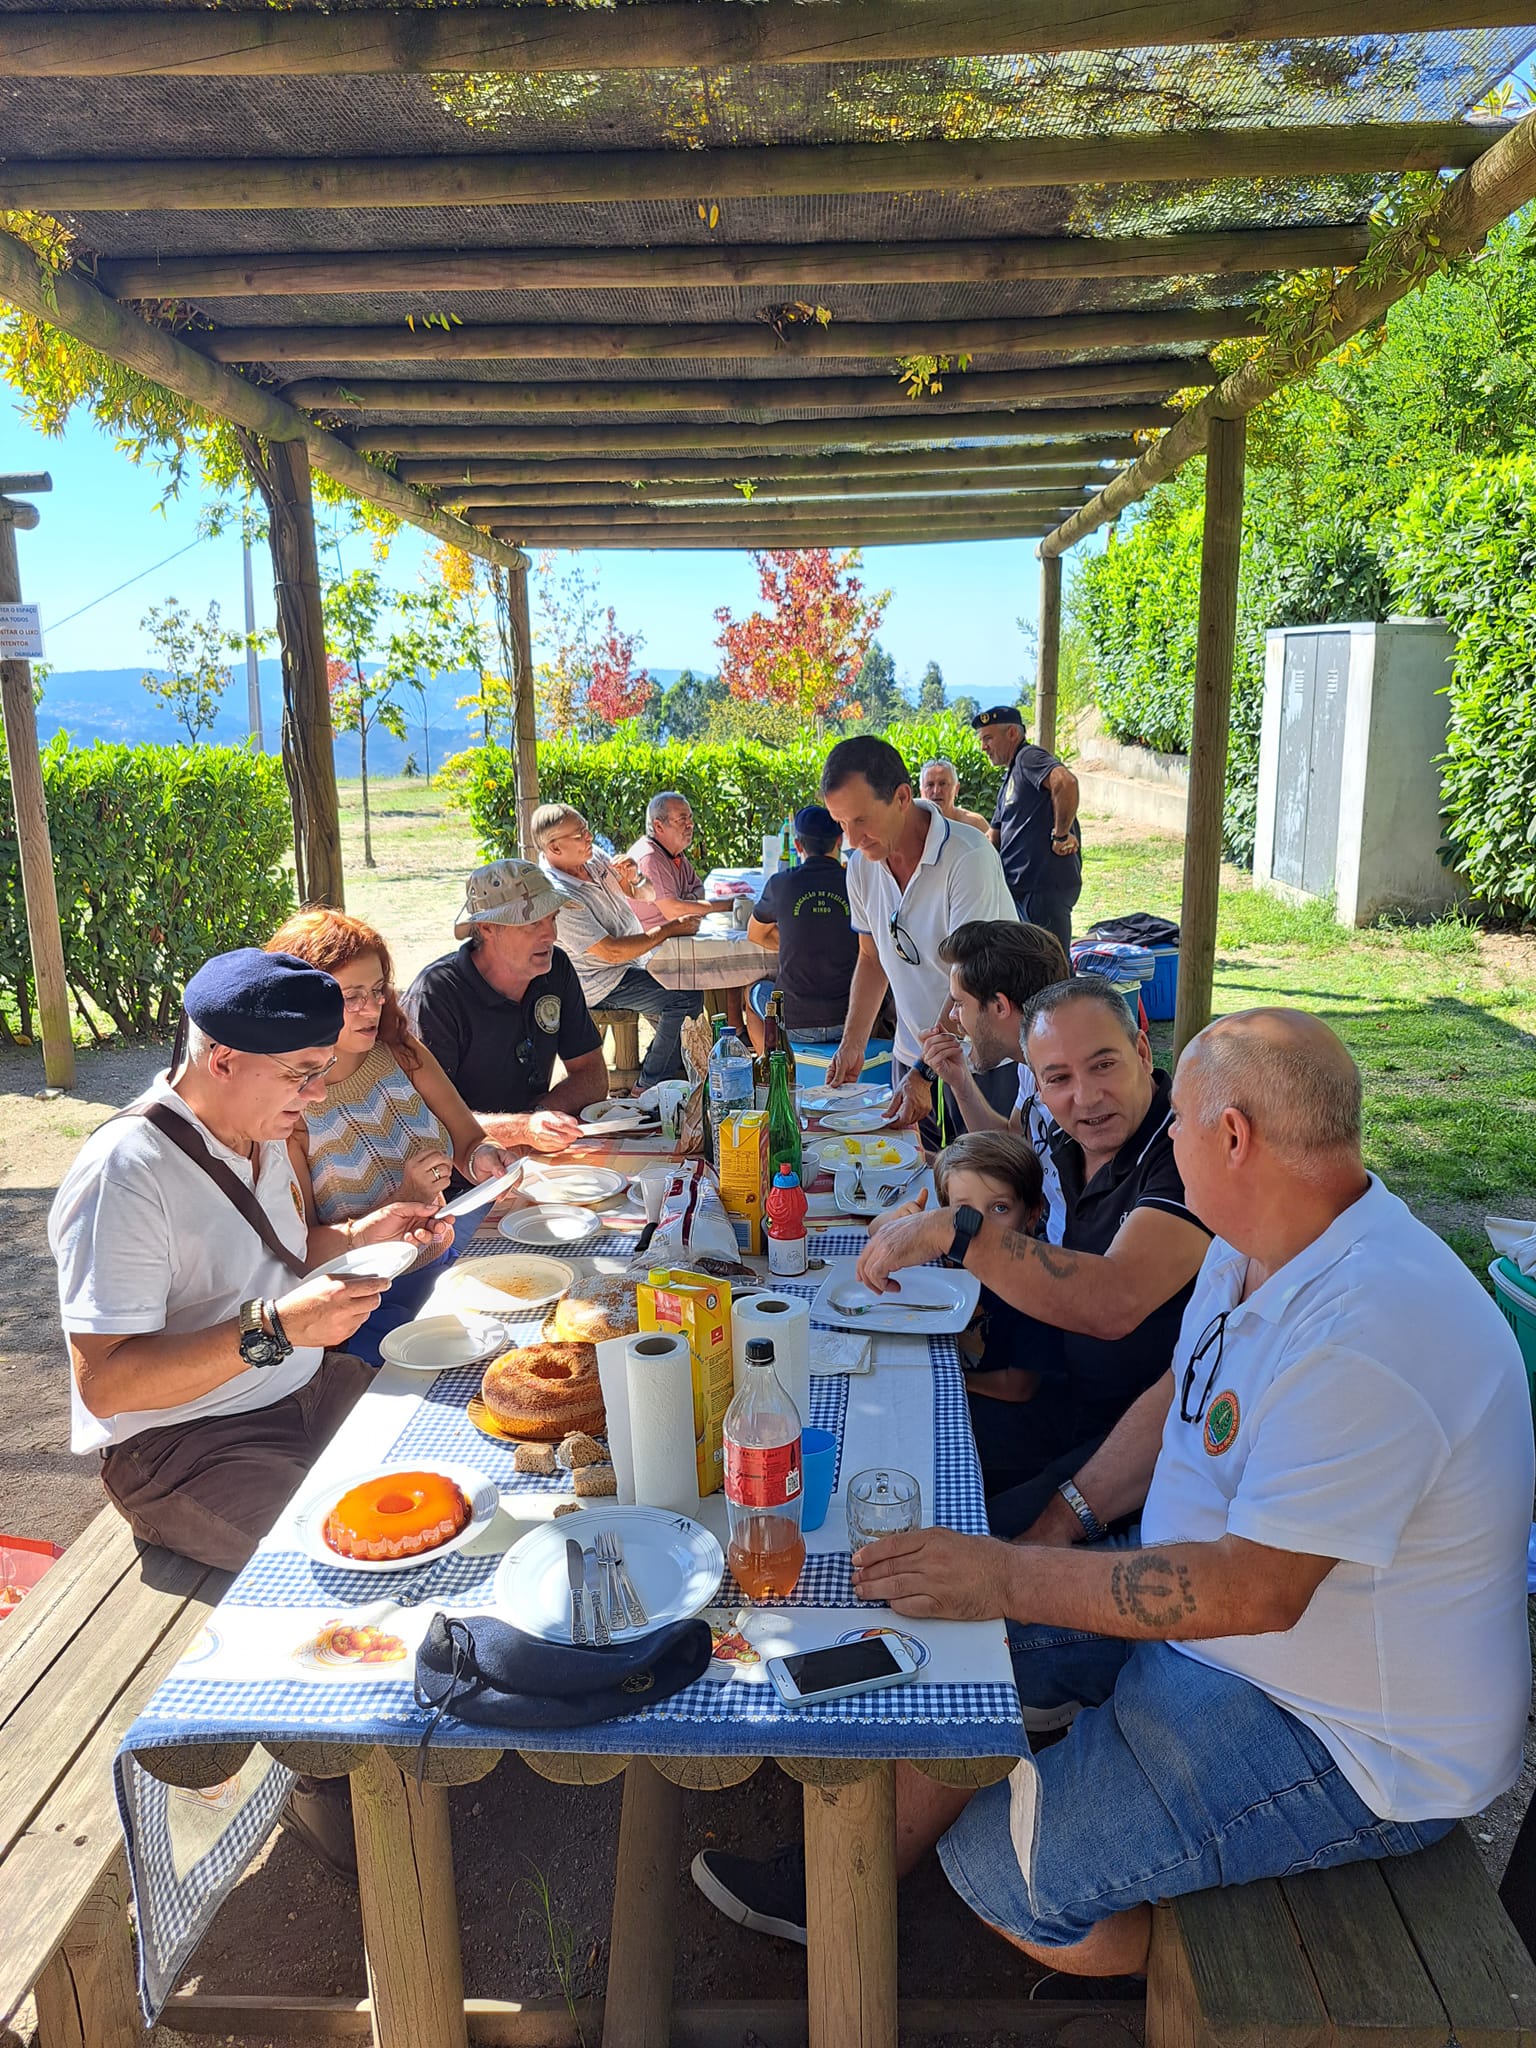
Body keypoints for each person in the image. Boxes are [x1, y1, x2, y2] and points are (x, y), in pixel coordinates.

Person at [692, 1011, 1534, 1978]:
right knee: (942, 1643)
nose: (1165, 1147)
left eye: (1177, 1125)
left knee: (993, 1874)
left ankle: (1233, 1968)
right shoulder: (1263, 1238)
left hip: (1348, 1737)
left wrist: (1008, 1574)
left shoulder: (1374, 1330)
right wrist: (1056, 1526)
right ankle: (841, 1887)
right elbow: (1181, 1394)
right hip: (1219, 1631)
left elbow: (1255, 1591)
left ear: (1232, 1136)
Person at [48, 948, 449, 1574]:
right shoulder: (125, 1173)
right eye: (301, 1074)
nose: (317, 1095)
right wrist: (279, 1328)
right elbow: (105, 1385)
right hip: (188, 1441)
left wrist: (360, 1235)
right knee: (348, 1562)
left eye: (323, 1070)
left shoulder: (261, 1126)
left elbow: (281, 1254)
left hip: (307, 1385)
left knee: (456, 1475)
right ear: (223, 1060)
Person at [862, 975, 1211, 1523]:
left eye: (1103, 1065)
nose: (1086, 1097)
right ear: (1037, 1086)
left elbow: (1117, 1298)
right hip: (1061, 1394)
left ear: (1143, 1052)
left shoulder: (1184, 1151)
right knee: (887, 1432)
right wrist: (914, 1212)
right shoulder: (1061, 1131)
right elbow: (993, 1170)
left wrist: (955, 1228)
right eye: (1058, 1078)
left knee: (939, 1512)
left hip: (1133, 1441)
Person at [269, 909, 522, 1364]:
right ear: (303, 1003)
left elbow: (470, 1139)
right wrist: (403, 1198)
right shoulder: (288, 1107)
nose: (372, 1008)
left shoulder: (399, 1050)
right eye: (351, 997)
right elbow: (299, 1253)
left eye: (377, 989)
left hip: (448, 1252)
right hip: (370, 1304)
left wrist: (486, 1159)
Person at [819, 735, 1017, 1135]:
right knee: (914, 1167)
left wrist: (926, 1073)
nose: (852, 840)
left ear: (902, 797)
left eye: (861, 820)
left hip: (981, 1056)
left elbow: (970, 977)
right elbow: (871, 957)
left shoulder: (968, 856)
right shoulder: (861, 865)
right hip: (912, 1055)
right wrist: (853, 1042)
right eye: (841, 824)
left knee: (985, 1169)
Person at [403, 859, 609, 1146]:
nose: (551, 935)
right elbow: (426, 1119)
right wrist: (522, 1129)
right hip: (461, 1166)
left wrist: (540, 1116)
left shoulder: (555, 969)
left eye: (552, 918)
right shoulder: (437, 994)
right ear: (487, 927)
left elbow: (593, 1074)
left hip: (531, 1153)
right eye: (532, 922)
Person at [915, 919, 1071, 1235]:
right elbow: (1013, 1142)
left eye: (959, 1003)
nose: (954, 1018)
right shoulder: (1029, 1065)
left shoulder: (1071, 1086)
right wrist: (960, 1081)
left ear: (999, 1006)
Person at [932, 1133, 1068, 1492]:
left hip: (1021, 1428)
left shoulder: (1033, 1287)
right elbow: (879, 1229)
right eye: (964, 1210)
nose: (981, 1226)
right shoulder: (954, 1250)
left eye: (1000, 1208)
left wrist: (951, 1379)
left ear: (1032, 1214)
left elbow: (1019, 1387)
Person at [533, 804, 704, 1088]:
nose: (589, 837)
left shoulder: (592, 857)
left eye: (586, 830)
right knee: (685, 996)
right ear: (555, 847)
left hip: (633, 962)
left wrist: (635, 878)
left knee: (689, 981)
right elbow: (611, 952)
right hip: (599, 981)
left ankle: (668, 1073)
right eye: (579, 835)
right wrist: (669, 929)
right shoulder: (557, 895)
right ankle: (648, 1085)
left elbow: (646, 894)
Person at [742, 803, 859, 1050]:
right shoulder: (857, 883)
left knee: (751, 993)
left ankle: (772, 1066)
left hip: (794, 1022)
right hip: (852, 1020)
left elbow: (755, 933)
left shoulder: (780, 883)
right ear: (839, 840)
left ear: (797, 845)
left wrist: (799, 940)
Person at [973, 706, 1081, 957]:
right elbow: (993, 836)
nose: (984, 747)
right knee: (1028, 965)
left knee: (1052, 966)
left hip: (1043, 888)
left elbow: (1065, 782)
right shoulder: (1010, 779)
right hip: (1019, 892)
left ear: (1012, 733)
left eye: (988, 738)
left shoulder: (1028, 757)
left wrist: (1061, 835)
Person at [627, 791, 708, 933]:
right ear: (658, 826)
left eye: (690, 818)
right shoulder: (650, 857)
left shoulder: (674, 852)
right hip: (654, 944)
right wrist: (727, 905)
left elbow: (699, 888)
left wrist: (691, 900)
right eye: (682, 819)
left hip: (675, 939)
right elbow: (674, 911)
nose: (690, 824)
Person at [919, 757, 991, 834]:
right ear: (921, 791)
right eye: (930, 785)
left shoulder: (975, 824)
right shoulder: (913, 825)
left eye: (943, 784)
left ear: (956, 789)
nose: (936, 791)